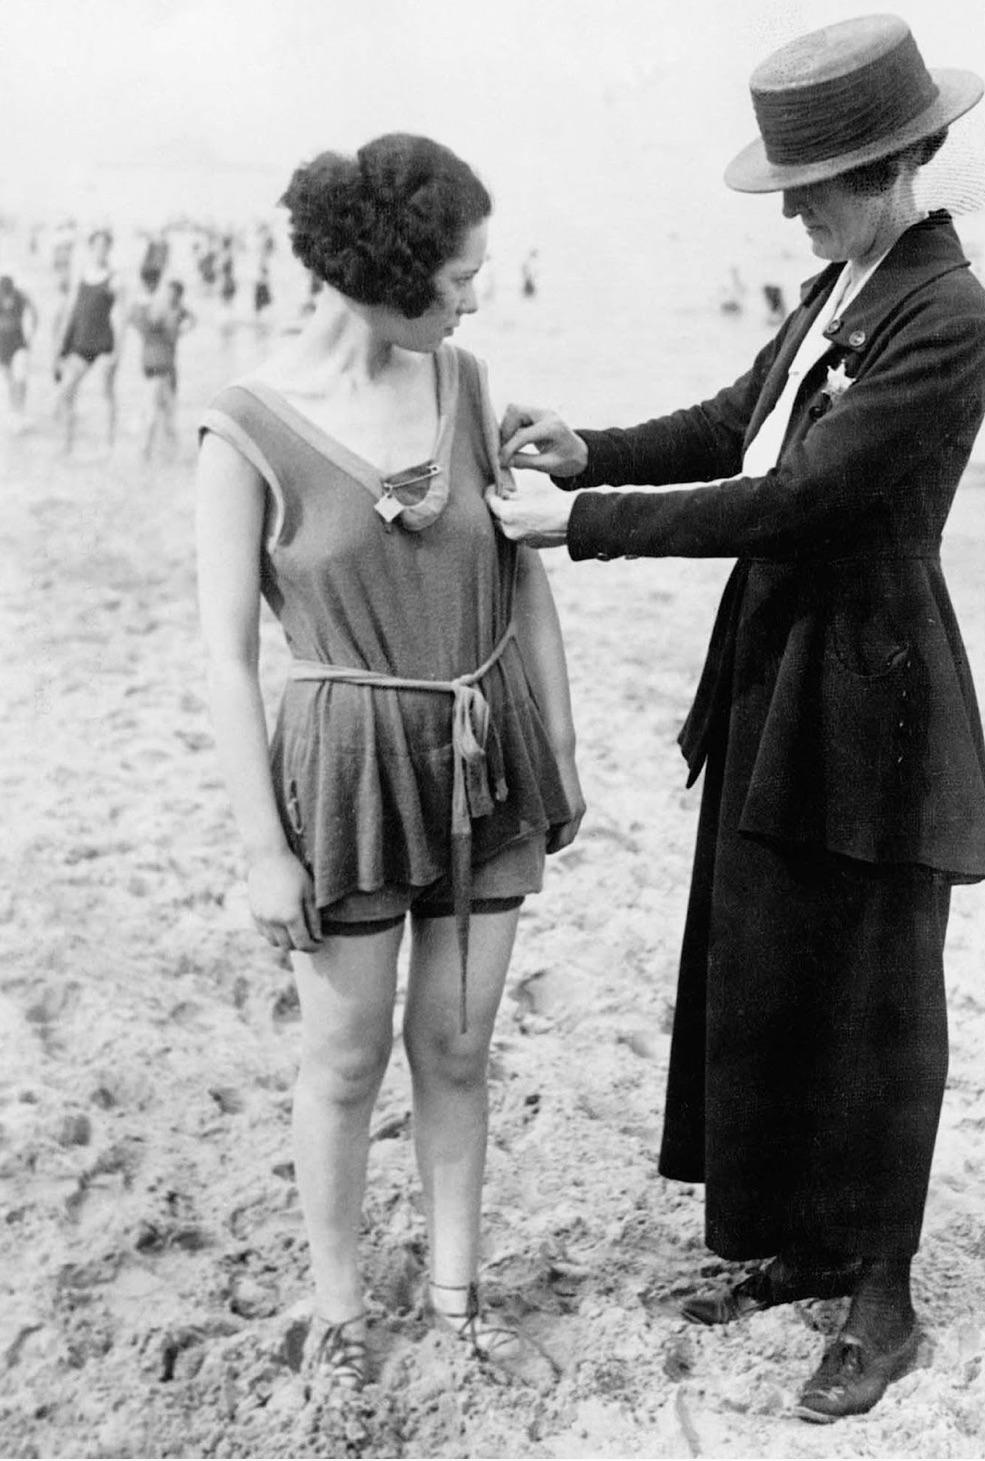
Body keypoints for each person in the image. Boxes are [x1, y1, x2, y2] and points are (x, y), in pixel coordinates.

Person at [491, 14, 985, 1423]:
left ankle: (882, 1290)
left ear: (895, 165)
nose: (789, 207)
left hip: (877, 684)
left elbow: (800, 498)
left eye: (813, 181)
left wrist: (578, 523)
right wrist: (592, 448)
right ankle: (805, 1240)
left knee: (881, 989)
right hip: (786, 668)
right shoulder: (844, 287)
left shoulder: (943, 310)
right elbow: (736, 424)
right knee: (769, 960)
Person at [195, 132, 584, 1392]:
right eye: (461, 275)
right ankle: (342, 1305)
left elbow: (525, 581)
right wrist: (264, 852)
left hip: (486, 756)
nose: (475, 298)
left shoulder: (467, 384)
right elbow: (225, 661)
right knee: (348, 1060)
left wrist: (560, 752)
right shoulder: (245, 427)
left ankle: (458, 1296)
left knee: (460, 1048)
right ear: (396, 273)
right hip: (347, 771)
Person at [55, 227, 125, 454]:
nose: (101, 250)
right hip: (80, 343)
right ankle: (67, 443)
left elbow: (121, 318)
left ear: (109, 249)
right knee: (66, 390)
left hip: (104, 344)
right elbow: (70, 312)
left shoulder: (115, 279)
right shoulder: (81, 275)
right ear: (91, 247)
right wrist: (60, 345)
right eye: (97, 245)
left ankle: (110, 443)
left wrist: (118, 354)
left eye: (105, 246)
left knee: (106, 393)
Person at [129, 277, 195, 461]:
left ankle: (154, 452)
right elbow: (135, 320)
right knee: (160, 411)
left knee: (162, 411)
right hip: (160, 368)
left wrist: (180, 331)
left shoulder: (169, 312)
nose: (169, 297)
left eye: (172, 294)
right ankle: (154, 452)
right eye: (168, 293)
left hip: (163, 367)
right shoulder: (167, 313)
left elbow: (134, 320)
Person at [0, 274, 38, 430]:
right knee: (10, 381)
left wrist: (30, 337)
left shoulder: (21, 296)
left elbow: (35, 315)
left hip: (18, 342)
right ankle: (14, 413)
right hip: (3, 344)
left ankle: (20, 412)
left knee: (20, 377)